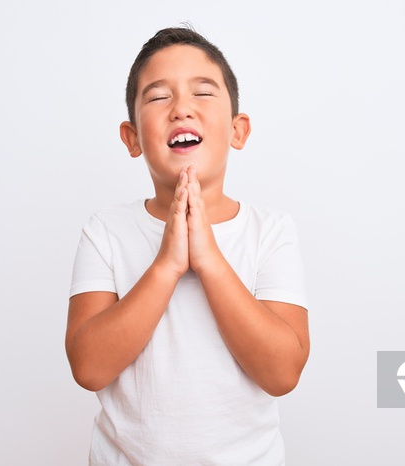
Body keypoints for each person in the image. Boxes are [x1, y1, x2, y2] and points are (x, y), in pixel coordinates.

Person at [65, 26, 310, 466]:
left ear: (238, 129)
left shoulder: (271, 230)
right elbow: (88, 368)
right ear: (132, 137)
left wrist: (210, 260)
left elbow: (282, 372)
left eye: (203, 93)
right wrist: (166, 266)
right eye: (158, 97)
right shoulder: (106, 230)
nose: (181, 108)